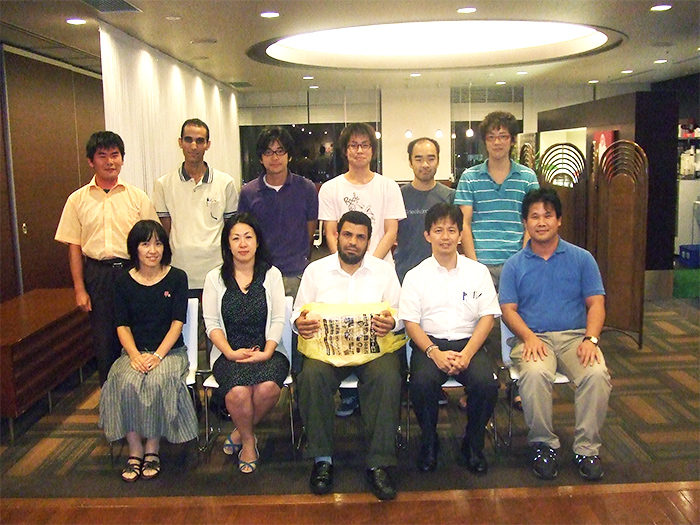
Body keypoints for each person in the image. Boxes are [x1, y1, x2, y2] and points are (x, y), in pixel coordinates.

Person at [499, 188, 612, 481]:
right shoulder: (514, 265)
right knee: (535, 374)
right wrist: (528, 337)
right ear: (525, 222)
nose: (541, 222)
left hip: (576, 338)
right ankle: (543, 445)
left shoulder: (582, 258)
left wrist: (591, 339)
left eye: (547, 215)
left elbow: (596, 303)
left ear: (559, 220)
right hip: (533, 339)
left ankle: (587, 449)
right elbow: (508, 310)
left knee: (596, 374)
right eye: (534, 216)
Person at [293, 211, 402, 500]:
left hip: (373, 351)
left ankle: (379, 463)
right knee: (311, 376)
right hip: (327, 351)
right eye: (348, 235)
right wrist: (299, 323)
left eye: (360, 237)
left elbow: (401, 312)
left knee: (388, 377)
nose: (353, 242)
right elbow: (298, 311)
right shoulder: (316, 271)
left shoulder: (384, 271)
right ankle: (322, 460)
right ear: (337, 235)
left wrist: (392, 322)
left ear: (369, 241)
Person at [399, 203, 500, 474]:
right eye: (438, 230)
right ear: (427, 235)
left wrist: (467, 354)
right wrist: (434, 352)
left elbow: (487, 317)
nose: (445, 237)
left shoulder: (478, 272)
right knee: (421, 384)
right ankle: (429, 442)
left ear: (460, 235)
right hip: (430, 345)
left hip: (470, 344)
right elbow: (411, 323)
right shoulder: (415, 276)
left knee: (487, 384)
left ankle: (473, 444)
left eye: (451, 230)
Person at [55, 131, 159, 385]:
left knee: (138, 336)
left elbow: (154, 241)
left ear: (122, 159)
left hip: (133, 272)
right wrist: (80, 289)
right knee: (104, 342)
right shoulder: (77, 200)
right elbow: (74, 247)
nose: (110, 161)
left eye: (115, 155)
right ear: (91, 161)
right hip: (98, 275)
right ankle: (110, 399)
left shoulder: (137, 197)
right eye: (102, 156)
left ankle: (139, 394)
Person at [318, 122, 406, 417]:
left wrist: (369, 264)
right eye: (353, 145)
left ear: (372, 150)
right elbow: (331, 232)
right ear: (345, 151)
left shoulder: (387, 186)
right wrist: (345, 263)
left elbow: (391, 231)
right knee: (343, 334)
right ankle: (348, 396)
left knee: (376, 336)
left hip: (379, 273)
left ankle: (373, 399)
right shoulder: (331, 188)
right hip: (341, 271)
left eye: (364, 145)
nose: (359, 151)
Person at [99, 220, 198, 482]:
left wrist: (157, 356)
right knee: (123, 380)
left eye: (158, 243)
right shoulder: (123, 282)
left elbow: (177, 323)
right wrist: (134, 355)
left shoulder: (177, 277)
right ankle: (135, 450)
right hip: (134, 352)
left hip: (169, 353)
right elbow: (122, 325)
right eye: (145, 244)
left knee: (157, 381)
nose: (152, 250)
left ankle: (152, 448)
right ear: (135, 248)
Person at [454, 111, 539, 411]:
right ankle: (480, 385)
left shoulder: (527, 177)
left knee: (519, 323)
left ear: (512, 140)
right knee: (478, 325)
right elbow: (464, 224)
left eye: (503, 136)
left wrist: (524, 259)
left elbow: (531, 221)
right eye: (491, 137)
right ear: (485, 142)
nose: (497, 142)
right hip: (480, 262)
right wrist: (474, 264)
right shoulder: (470, 177)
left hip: (517, 261)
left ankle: (517, 384)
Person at [202, 213, 289, 474]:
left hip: (268, 350)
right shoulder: (215, 278)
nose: (243, 244)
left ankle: (239, 432)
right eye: (236, 238)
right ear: (227, 244)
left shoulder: (271, 274)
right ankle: (249, 442)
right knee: (239, 392)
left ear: (257, 241)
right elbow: (211, 324)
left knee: (268, 389)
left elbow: (278, 318)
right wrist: (230, 353)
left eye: (248, 237)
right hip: (228, 353)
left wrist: (267, 352)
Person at [237, 126, 318, 300]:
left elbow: (310, 231)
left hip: (297, 273)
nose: (275, 157)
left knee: (300, 317)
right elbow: (244, 234)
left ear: (289, 155)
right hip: (261, 275)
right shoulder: (248, 192)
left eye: (280, 151)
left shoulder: (306, 188)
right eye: (268, 152)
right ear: (261, 158)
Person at [394, 137, 455, 284]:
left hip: (443, 276)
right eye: (419, 159)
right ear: (410, 162)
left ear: (438, 161)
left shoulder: (450, 196)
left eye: (431, 159)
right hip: (405, 275)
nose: (425, 165)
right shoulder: (398, 196)